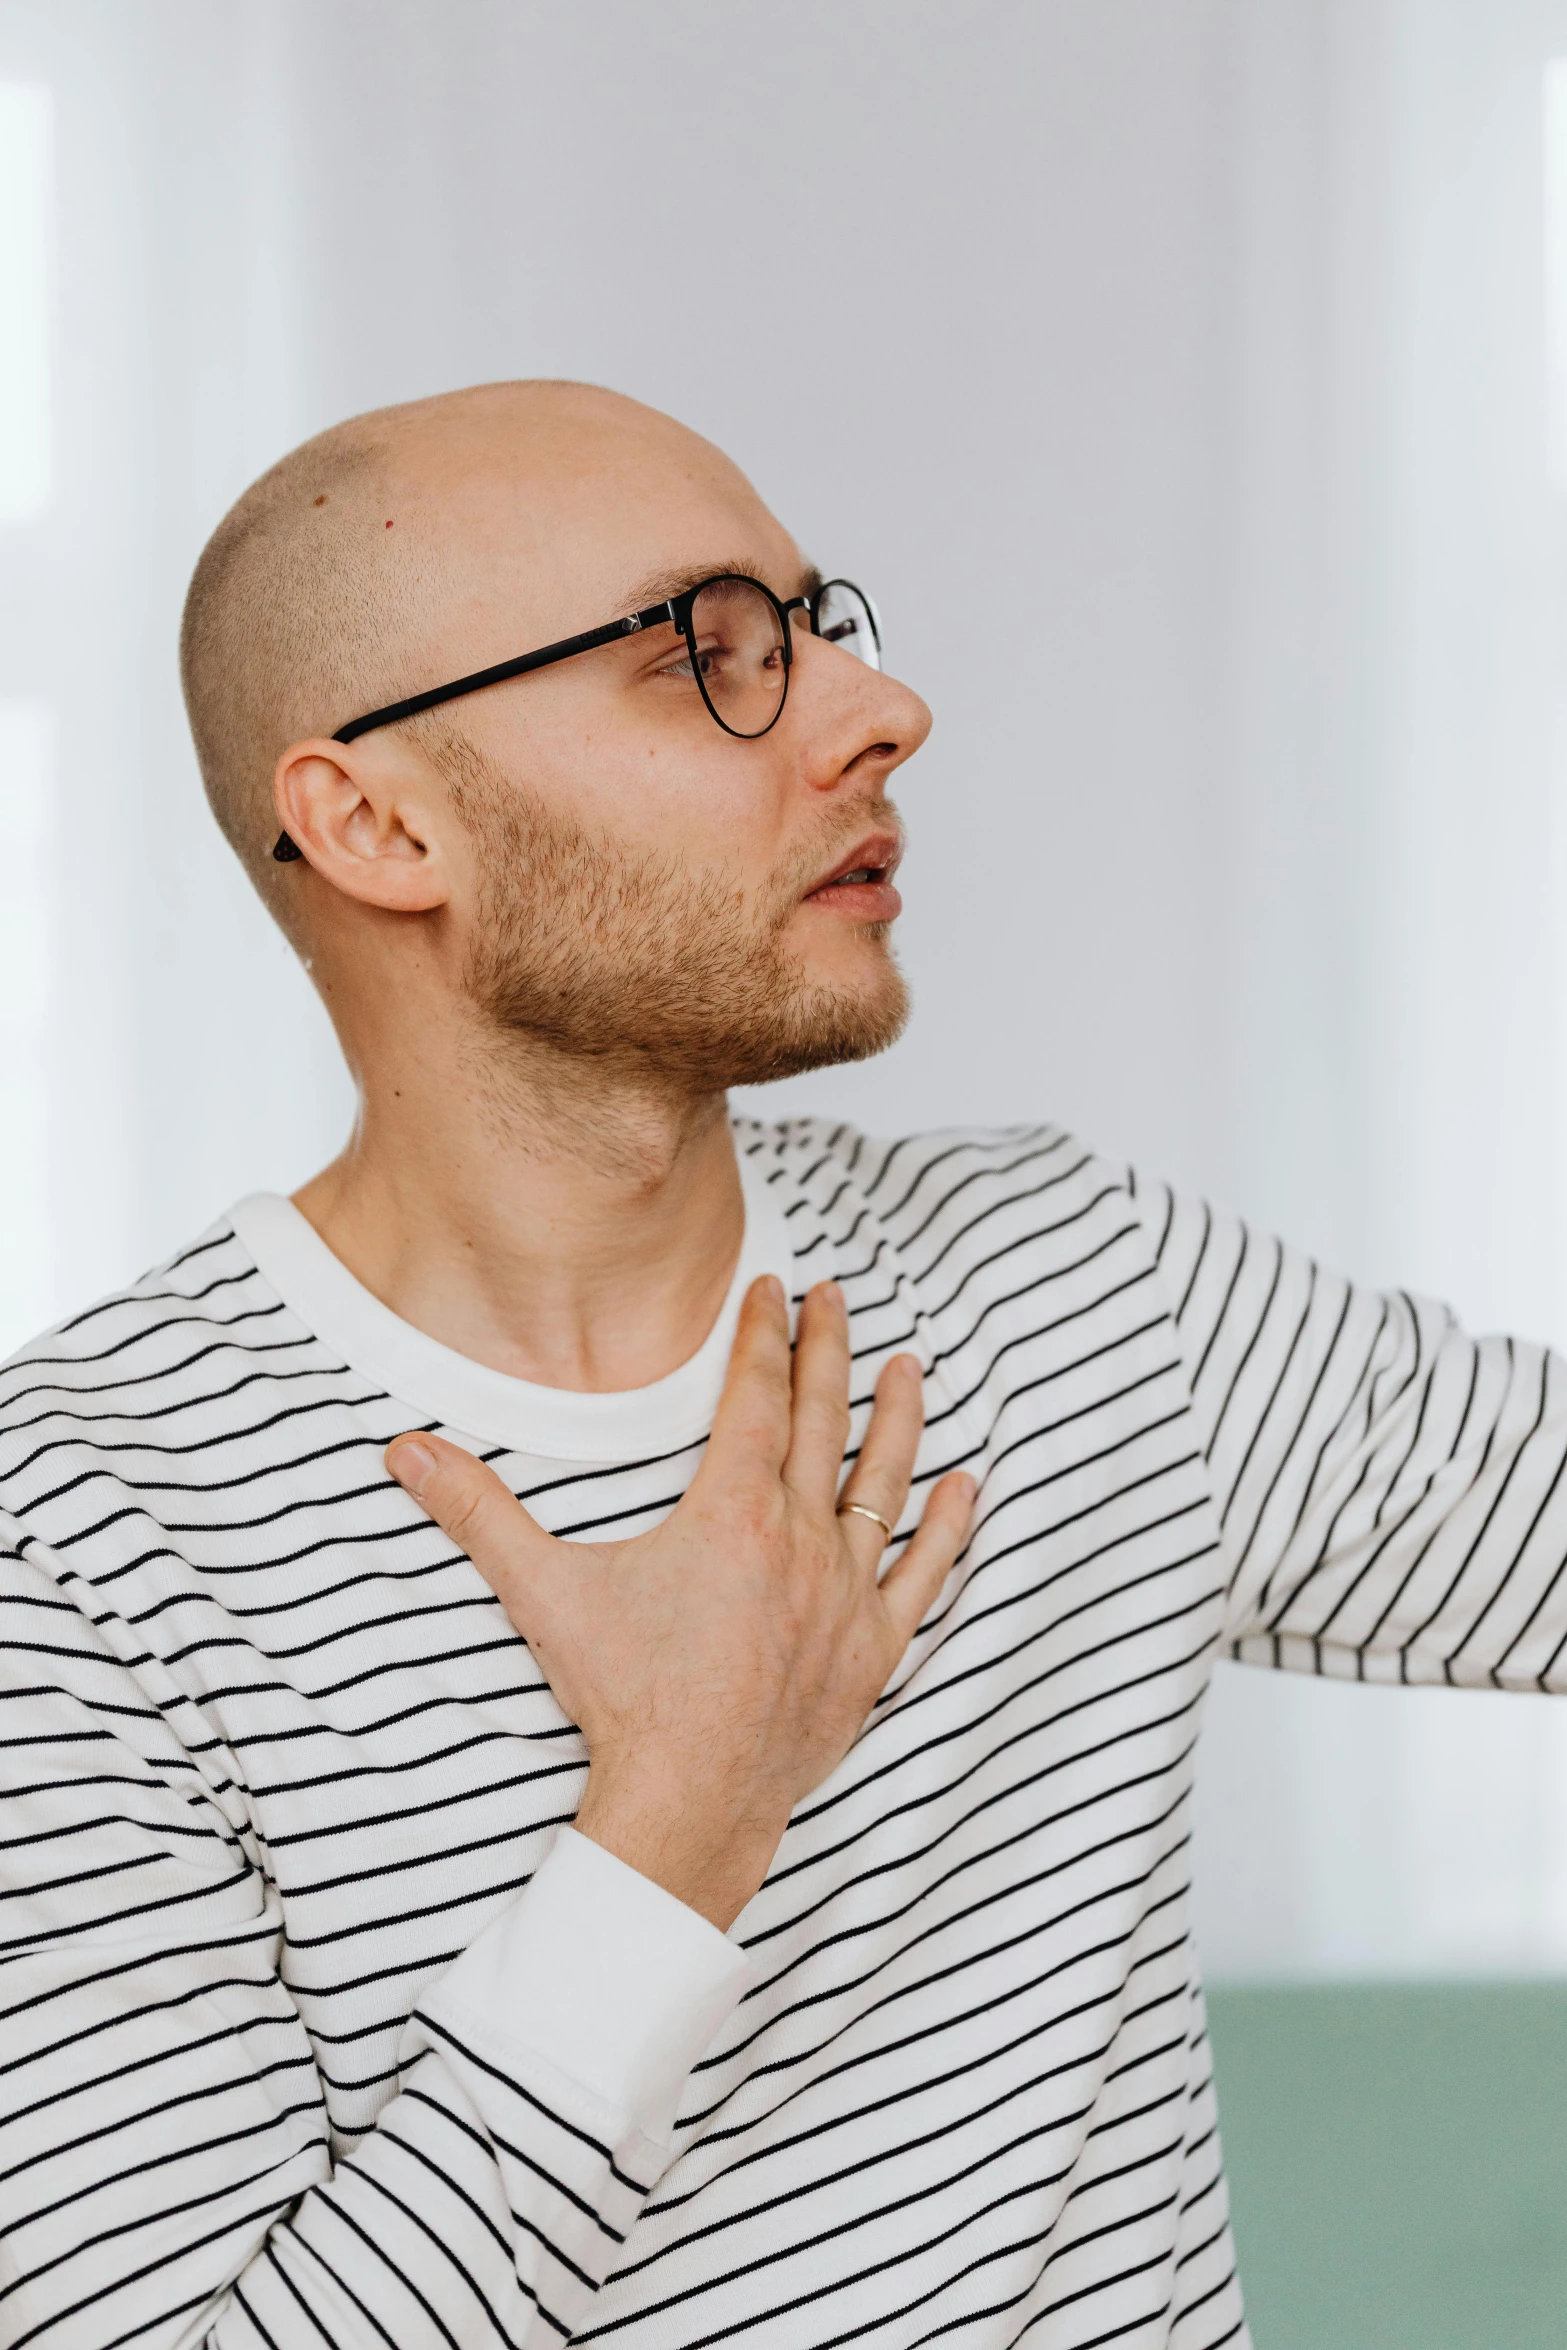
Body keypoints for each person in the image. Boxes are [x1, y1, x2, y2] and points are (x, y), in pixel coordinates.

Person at [3, 381, 1563, 2350]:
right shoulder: (73, 1543)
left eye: (823, 624)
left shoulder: (1070, 1285)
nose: (873, 713)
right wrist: (673, 1823)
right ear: (380, 820)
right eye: (707, 656)